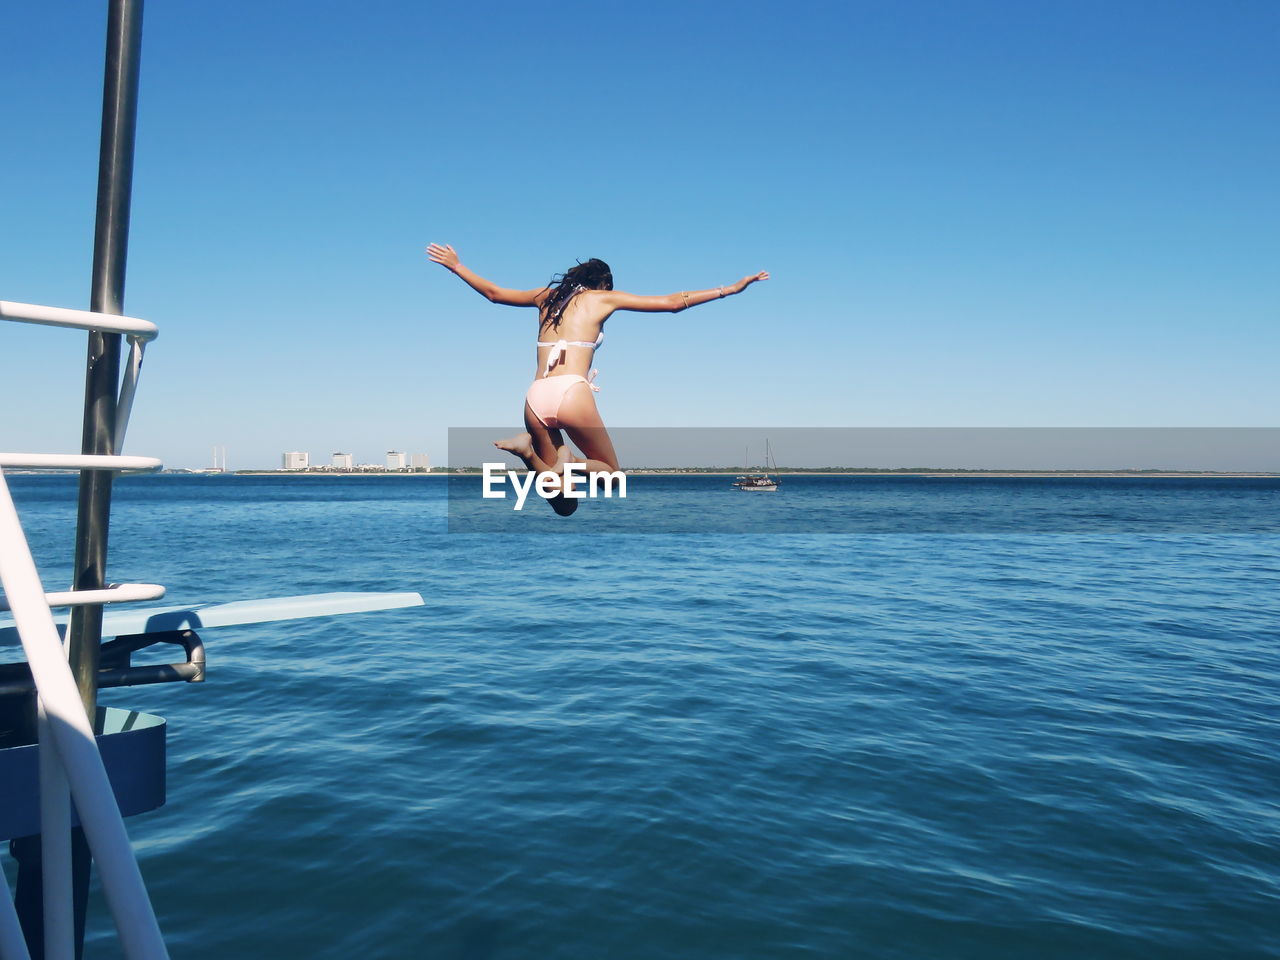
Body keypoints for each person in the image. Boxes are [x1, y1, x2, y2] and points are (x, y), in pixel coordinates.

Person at [426, 243, 768, 512]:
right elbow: (671, 302)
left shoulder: (545, 298)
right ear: (603, 283)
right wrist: (730, 289)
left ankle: (527, 453)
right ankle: (571, 461)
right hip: (571, 392)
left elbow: (494, 294)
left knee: (563, 503)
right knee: (612, 477)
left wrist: (457, 266)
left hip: (534, 397)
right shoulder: (602, 298)